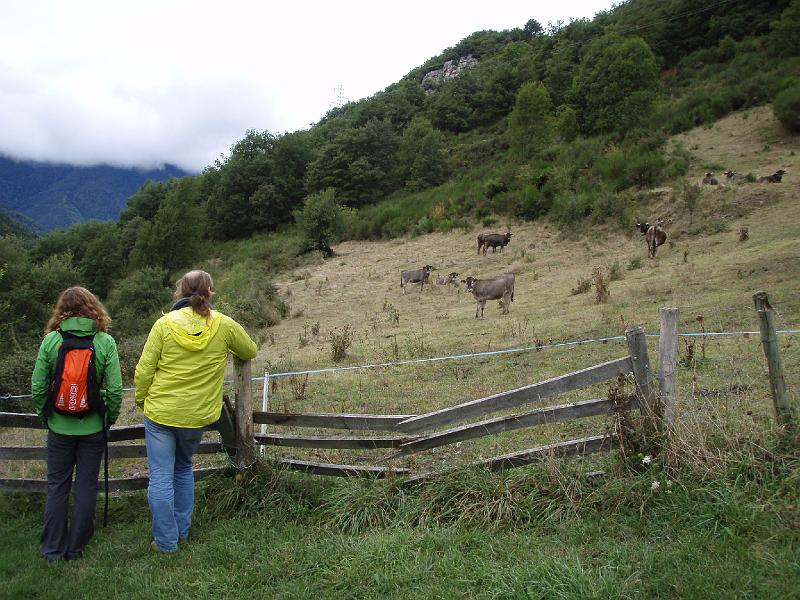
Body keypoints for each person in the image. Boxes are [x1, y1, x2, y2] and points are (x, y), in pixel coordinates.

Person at [134, 270, 257, 553]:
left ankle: (166, 542)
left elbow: (143, 372)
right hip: (197, 415)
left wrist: (143, 401)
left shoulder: (164, 325)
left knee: (161, 476)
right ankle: (183, 531)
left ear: (180, 291)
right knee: (183, 468)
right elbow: (249, 350)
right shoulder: (223, 325)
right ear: (210, 292)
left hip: (161, 414)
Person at [31, 286, 123, 562]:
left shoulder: (51, 341)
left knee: (57, 486)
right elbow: (116, 389)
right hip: (93, 427)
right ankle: (76, 547)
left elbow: (37, 385)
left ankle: (52, 549)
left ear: (62, 311)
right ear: (93, 308)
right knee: (86, 486)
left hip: (59, 427)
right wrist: (109, 417)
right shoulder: (105, 341)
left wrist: (45, 414)